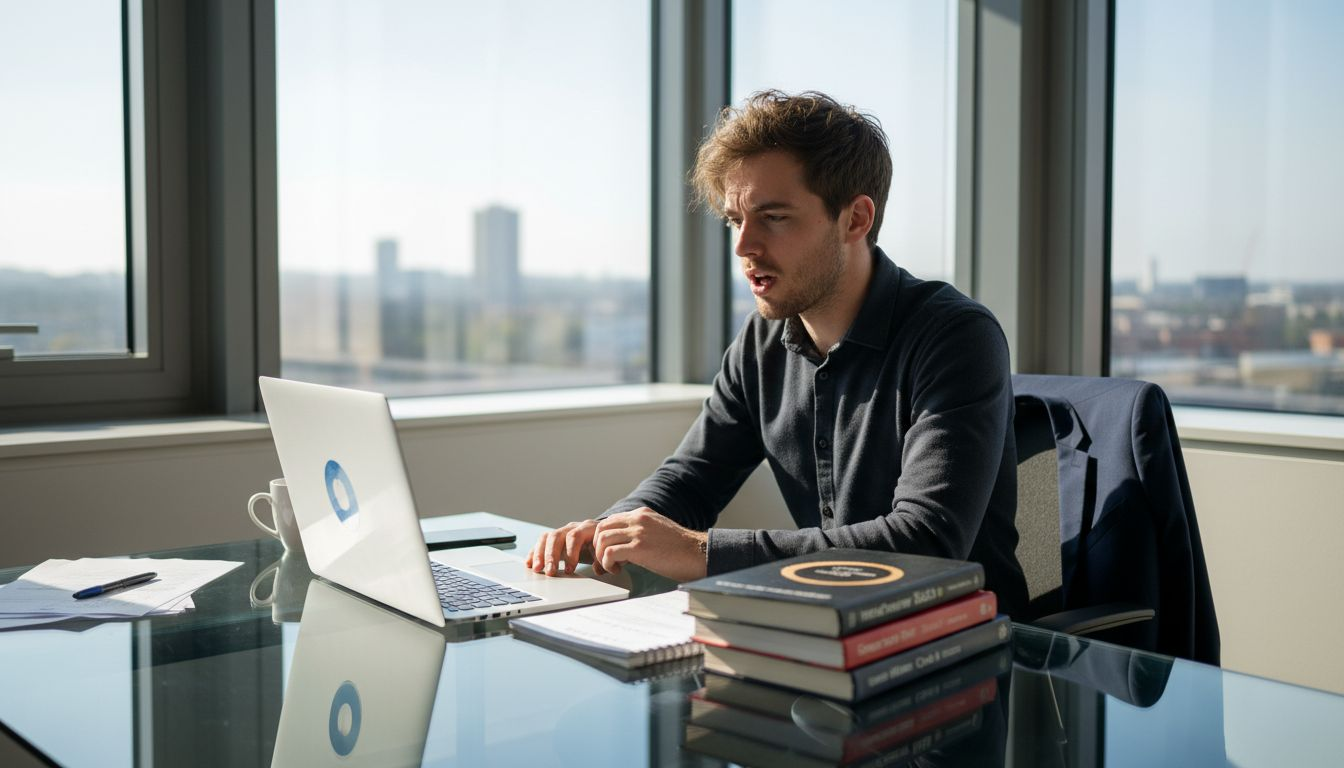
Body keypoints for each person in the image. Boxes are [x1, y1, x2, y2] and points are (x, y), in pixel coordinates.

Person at [525, 90, 1027, 615]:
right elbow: (693, 477)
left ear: (855, 219)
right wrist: (610, 530)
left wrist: (700, 552)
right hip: (826, 632)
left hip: (961, 645)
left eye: (774, 217)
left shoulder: (956, 336)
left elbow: (927, 542)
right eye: (734, 220)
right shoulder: (762, 340)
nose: (743, 246)